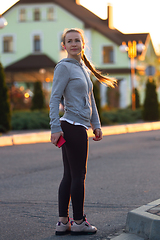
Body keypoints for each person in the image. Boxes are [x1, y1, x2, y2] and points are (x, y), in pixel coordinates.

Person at [49, 28, 116, 235]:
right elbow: (54, 99)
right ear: (64, 46)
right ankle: (78, 222)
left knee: (70, 175)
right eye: (69, 41)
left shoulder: (84, 70)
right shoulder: (63, 67)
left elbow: (91, 101)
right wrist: (55, 127)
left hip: (80, 127)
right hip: (71, 127)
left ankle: (63, 222)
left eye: (77, 40)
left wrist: (96, 125)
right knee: (78, 175)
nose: (73, 44)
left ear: (83, 44)